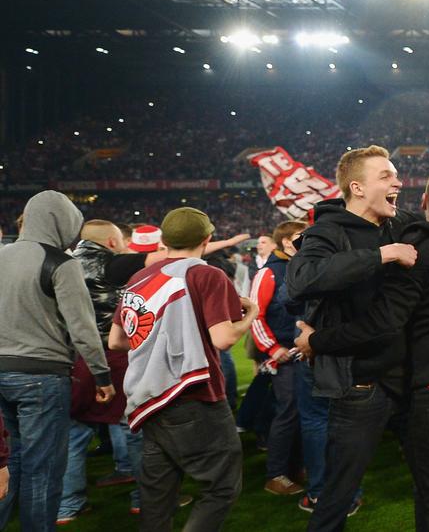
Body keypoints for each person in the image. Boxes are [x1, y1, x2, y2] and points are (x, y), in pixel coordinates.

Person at [284, 146, 429, 528]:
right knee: (339, 493)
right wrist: (383, 254)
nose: (398, 182)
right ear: (357, 187)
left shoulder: (398, 221)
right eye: (387, 176)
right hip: (361, 387)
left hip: (409, 382)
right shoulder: (328, 231)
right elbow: (300, 280)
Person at [108, 207, 256, 532]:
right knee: (221, 485)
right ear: (207, 239)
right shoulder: (207, 274)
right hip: (191, 393)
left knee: (157, 496)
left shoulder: (139, 277)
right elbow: (224, 339)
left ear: (164, 239)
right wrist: (252, 314)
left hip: (147, 397)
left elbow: (116, 340)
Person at [0, 191, 115, 531]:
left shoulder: (2, 255)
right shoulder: (61, 263)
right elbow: (82, 328)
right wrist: (102, 376)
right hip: (42, 376)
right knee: (43, 470)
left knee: (8, 464)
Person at [59, 220, 138, 524]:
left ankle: (68, 505)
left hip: (76, 356)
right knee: (131, 426)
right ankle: (145, 499)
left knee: (75, 432)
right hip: (114, 353)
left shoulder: (61, 264)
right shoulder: (114, 266)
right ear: (112, 242)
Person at [248, 220, 309, 497]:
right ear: (286, 241)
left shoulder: (300, 266)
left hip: (301, 352)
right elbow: (255, 315)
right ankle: (276, 474)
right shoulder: (268, 272)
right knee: (288, 411)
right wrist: (272, 349)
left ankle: (296, 466)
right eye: (300, 236)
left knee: (302, 411)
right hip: (283, 354)